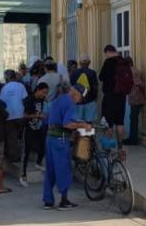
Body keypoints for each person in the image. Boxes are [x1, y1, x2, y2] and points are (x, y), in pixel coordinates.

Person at [42, 82, 91, 210]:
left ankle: (48, 201)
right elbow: (67, 124)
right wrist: (83, 125)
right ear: (77, 94)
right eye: (81, 98)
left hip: (50, 138)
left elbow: (59, 118)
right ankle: (64, 202)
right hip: (60, 139)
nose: (80, 101)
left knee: (50, 170)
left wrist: (78, 122)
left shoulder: (59, 99)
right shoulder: (70, 102)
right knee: (64, 169)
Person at [99, 45, 128, 154]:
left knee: (108, 123)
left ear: (107, 52)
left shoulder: (108, 62)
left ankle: (107, 147)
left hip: (110, 97)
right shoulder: (124, 61)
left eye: (105, 53)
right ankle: (120, 148)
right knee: (120, 123)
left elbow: (101, 77)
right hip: (121, 97)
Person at [20, 82, 49, 187]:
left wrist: (41, 115)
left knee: (43, 144)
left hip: (39, 126)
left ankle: (39, 162)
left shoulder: (42, 100)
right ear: (37, 90)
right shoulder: (29, 100)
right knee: (26, 151)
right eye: (43, 92)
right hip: (29, 127)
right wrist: (38, 116)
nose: (44, 94)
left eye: (46, 93)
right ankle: (23, 175)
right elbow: (25, 116)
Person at [0, 70, 28, 162]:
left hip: (9, 116)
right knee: (21, 137)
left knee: (12, 138)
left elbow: (1, 102)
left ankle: (14, 156)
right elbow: (25, 99)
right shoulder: (21, 85)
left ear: (7, 77)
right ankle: (21, 154)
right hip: (20, 115)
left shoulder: (4, 88)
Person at [124, 57, 146, 146]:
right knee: (133, 118)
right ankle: (132, 138)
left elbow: (139, 84)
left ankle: (133, 139)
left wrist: (143, 95)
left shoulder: (132, 72)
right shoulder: (133, 71)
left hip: (136, 98)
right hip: (135, 97)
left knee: (133, 119)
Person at [71, 53, 98, 123]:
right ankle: (88, 134)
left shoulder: (74, 72)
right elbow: (95, 87)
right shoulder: (92, 72)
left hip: (78, 102)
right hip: (89, 101)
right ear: (89, 62)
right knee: (89, 123)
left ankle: (80, 134)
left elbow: (71, 86)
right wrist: (95, 98)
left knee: (78, 123)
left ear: (79, 63)